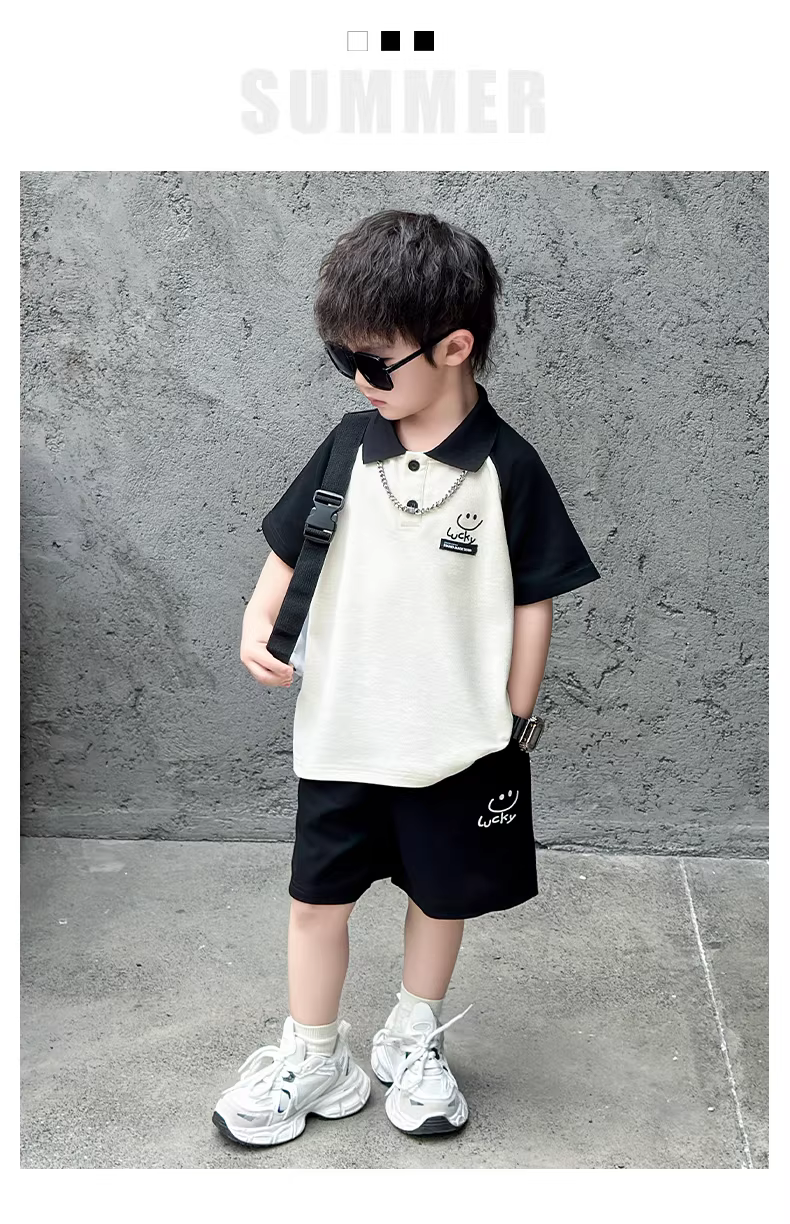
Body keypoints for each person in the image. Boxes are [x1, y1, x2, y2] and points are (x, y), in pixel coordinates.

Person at [212, 209, 601, 1147]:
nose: (359, 379)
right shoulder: (349, 445)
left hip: (455, 741)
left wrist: (513, 714)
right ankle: (316, 1054)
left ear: (454, 347)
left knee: (440, 896)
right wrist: (259, 624)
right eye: (341, 358)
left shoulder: (507, 467)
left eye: (377, 362)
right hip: (342, 731)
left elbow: (534, 599)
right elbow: (292, 544)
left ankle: (413, 1033)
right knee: (316, 902)